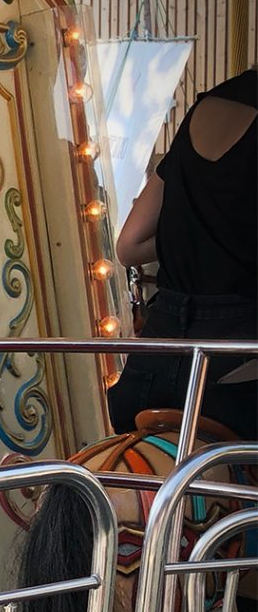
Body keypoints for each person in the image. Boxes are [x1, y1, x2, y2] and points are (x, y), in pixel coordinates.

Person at [110, 67, 256, 440]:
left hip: (155, 357)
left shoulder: (207, 106)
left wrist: (195, 238)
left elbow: (129, 246)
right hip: (235, 370)